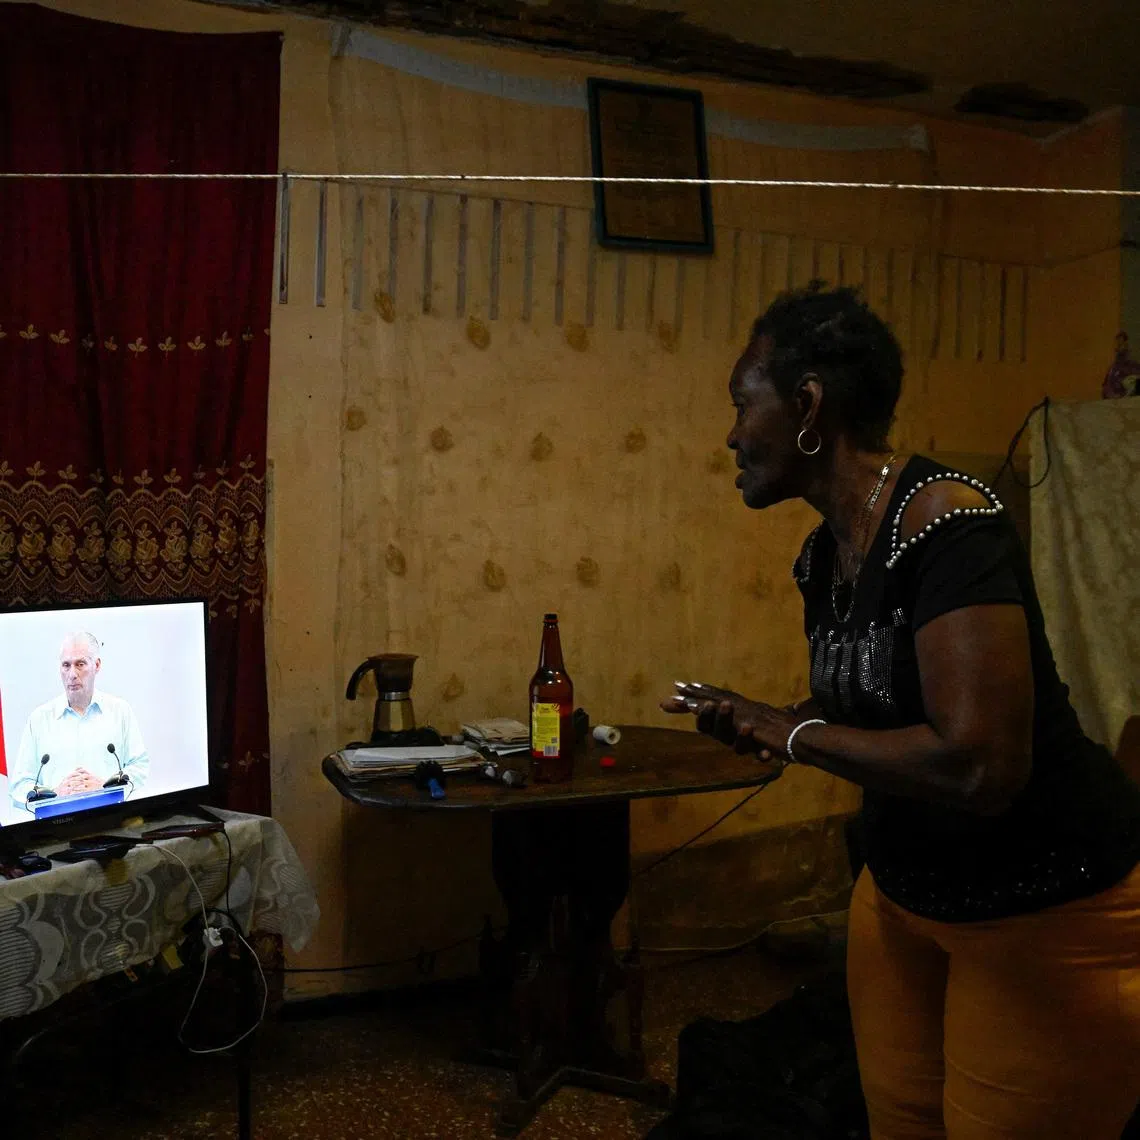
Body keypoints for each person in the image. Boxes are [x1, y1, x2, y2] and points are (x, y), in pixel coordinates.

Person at [662, 282, 1140, 1139]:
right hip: (902, 899)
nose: (732, 434)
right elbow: (882, 702)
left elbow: (981, 766)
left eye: (743, 404)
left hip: (1040, 908)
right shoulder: (824, 555)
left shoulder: (948, 523)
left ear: (808, 405)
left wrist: (796, 732)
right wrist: (769, 716)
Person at [10, 631, 149, 811]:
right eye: (66, 665)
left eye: (80, 664)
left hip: (111, 818)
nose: (72, 674)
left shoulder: (120, 711)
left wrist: (106, 787)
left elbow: (140, 767)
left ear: (97, 665)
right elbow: (20, 785)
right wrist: (54, 794)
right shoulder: (39, 719)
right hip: (56, 826)